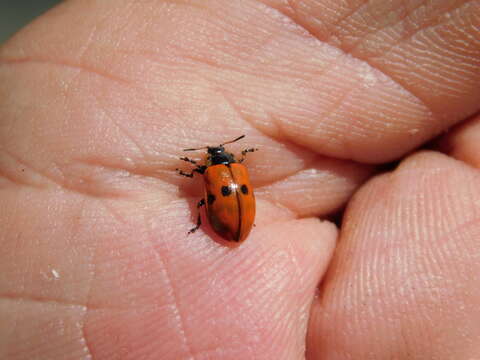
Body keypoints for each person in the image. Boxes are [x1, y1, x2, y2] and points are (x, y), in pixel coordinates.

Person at [0, 0, 479, 358]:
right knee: (216, 205)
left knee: (212, 205)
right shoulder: (230, 170)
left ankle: (209, 224)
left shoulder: (216, 173)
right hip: (232, 218)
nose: (215, 159)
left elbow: (206, 181)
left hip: (230, 218)